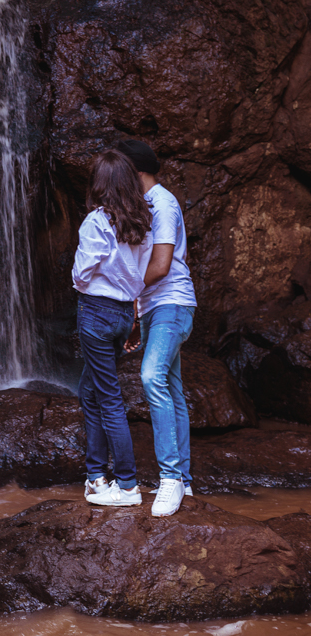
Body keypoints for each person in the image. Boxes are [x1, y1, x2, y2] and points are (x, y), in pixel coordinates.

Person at [118, 138, 197, 518]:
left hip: (172, 303)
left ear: (136, 171)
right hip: (153, 307)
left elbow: (162, 265)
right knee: (173, 387)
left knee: (152, 377)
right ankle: (184, 476)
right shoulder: (143, 204)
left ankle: (170, 481)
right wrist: (136, 314)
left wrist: (122, 291)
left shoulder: (162, 203)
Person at [72, 148, 152, 507]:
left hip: (96, 313)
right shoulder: (139, 221)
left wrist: (81, 280)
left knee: (108, 399)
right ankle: (94, 478)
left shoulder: (96, 222)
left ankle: (128, 485)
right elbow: (138, 275)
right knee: (89, 389)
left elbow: (81, 273)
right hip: (122, 315)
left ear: (100, 184)